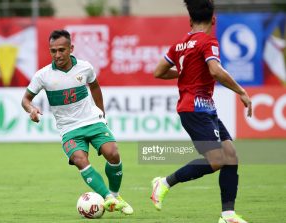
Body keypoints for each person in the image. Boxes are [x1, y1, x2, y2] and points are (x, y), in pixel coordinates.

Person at [150, 1, 252, 223]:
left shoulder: (179, 45)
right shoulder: (208, 41)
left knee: (231, 156)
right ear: (213, 20)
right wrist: (241, 91)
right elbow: (215, 71)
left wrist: (187, 72)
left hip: (205, 108)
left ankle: (227, 215)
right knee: (216, 160)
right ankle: (164, 182)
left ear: (190, 20)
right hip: (194, 108)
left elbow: (158, 72)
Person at [21, 30, 133, 215]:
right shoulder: (43, 75)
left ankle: (115, 194)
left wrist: (101, 113)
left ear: (71, 48)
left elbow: (95, 87)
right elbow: (25, 99)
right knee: (80, 160)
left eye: (61, 50)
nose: (57, 55)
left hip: (92, 121)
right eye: (53, 51)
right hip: (69, 129)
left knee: (112, 153)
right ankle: (108, 198)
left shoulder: (85, 67)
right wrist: (31, 109)